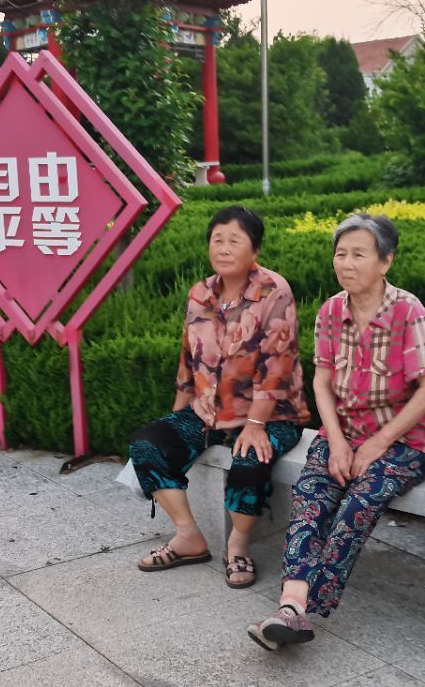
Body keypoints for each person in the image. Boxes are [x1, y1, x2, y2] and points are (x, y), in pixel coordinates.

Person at [249, 213, 425, 649]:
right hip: (344, 431)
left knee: (359, 501)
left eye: (359, 254)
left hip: (406, 441)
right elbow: (321, 381)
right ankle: (291, 607)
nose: (346, 263)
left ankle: (305, 605)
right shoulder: (331, 311)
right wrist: (336, 441)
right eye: (341, 253)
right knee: (311, 498)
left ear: (385, 262)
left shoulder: (406, 310)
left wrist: (379, 442)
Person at [129, 206, 309, 587]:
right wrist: (175, 419)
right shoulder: (200, 294)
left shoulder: (273, 291)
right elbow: (187, 358)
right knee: (148, 445)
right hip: (209, 411)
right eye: (217, 240)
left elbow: (279, 363)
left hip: (272, 413)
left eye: (235, 240)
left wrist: (257, 424)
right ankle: (189, 537)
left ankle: (238, 546)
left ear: (254, 250)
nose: (224, 248)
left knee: (249, 459)